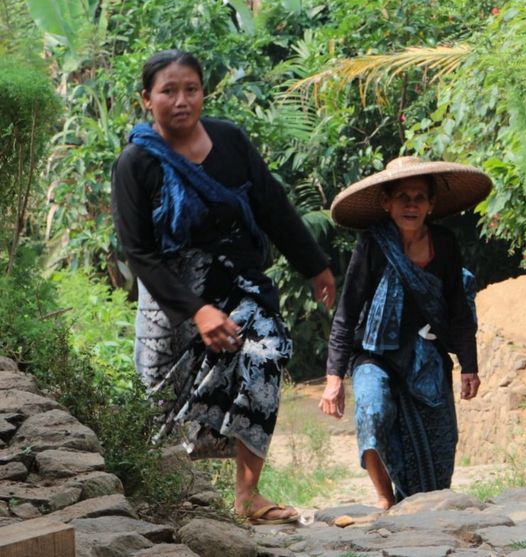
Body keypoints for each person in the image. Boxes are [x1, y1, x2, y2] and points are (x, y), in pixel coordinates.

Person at [111, 49, 336, 525]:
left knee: (267, 351)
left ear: (203, 92)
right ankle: (163, 503)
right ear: (146, 99)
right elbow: (140, 254)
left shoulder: (230, 142)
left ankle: (248, 496)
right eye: (167, 91)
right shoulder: (136, 164)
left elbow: (272, 205)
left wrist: (315, 266)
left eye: (190, 88)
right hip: (170, 296)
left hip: (237, 280)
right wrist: (196, 310)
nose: (180, 100)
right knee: (160, 407)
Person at [319, 156, 491, 509]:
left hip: (426, 352)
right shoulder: (373, 244)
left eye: (419, 197)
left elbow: (457, 310)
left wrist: (469, 365)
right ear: (387, 203)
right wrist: (333, 377)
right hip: (374, 352)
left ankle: (422, 499)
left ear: (431, 205)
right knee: (372, 408)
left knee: (439, 446)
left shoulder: (444, 243)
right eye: (402, 197)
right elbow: (348, 311)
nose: (411, 204)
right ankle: (383, 497)